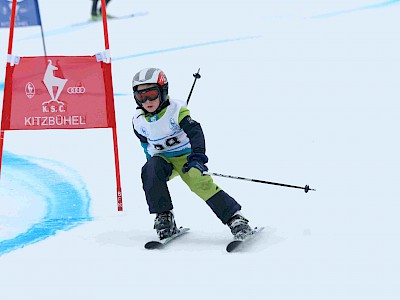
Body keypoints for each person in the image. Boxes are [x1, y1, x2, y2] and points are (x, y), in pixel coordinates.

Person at [132, 67, 253, 240]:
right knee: (150, 170)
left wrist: (197, 159)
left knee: (199, 182)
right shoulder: (138, 120)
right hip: (163, 160)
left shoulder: (176, 111)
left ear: (163, 91)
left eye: (152, 94)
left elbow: (196, 134)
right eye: (141, 96)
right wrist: (152, 167)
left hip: (186, 157)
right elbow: (145, 143)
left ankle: (235, 218)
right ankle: (164, 216)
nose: (147, 101)